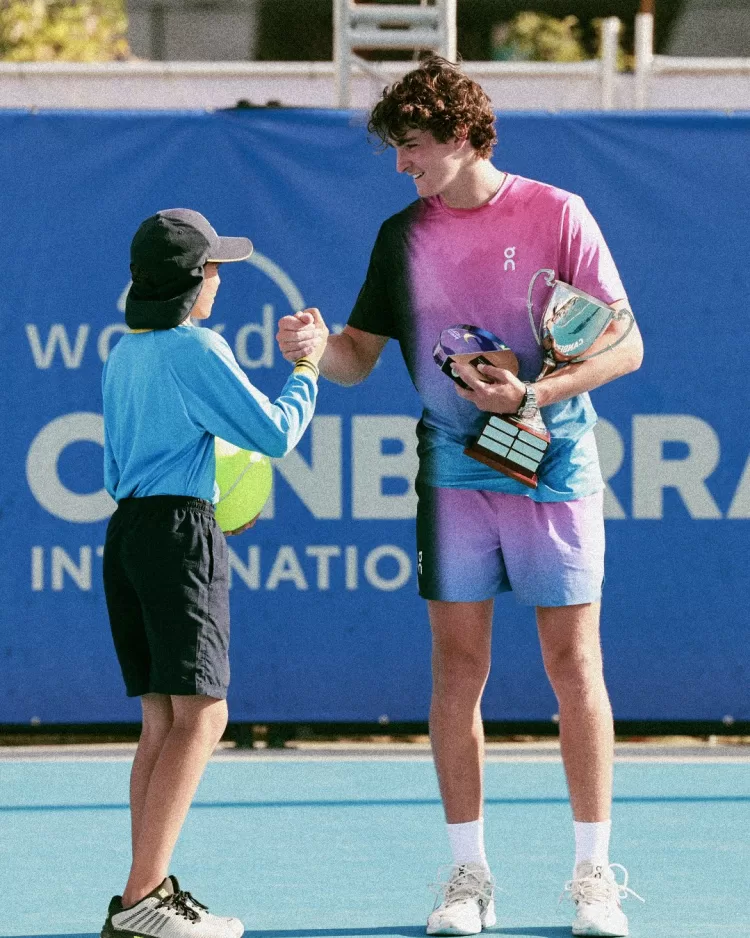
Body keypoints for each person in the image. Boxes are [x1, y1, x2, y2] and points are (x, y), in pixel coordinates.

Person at [277, 58, 644, 938]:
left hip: (553, 463)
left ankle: (594, 877)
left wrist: (536, 398)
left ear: (464, 135)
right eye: (397, 151)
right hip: (453, 474)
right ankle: (468, 878)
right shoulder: (401, 234)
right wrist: (312, 347)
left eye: (414, 147)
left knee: (574, 666)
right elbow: (359, 358)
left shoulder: (560, 214)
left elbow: (625, 348)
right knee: (457, 670)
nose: (403, 165)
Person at [101, 208, 327, 938]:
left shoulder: (123, 353)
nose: (221, 277)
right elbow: (273, 433)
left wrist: (210, 494)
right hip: (176, 537)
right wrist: (307, 367)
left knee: (162, 719)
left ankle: (147, 892)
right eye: (215, 266)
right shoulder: (198, 348)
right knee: (204, 714)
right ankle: (142, 900)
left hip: (131, 534)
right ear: (196, 281)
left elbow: (141, 463)